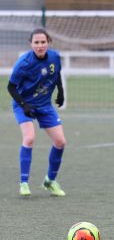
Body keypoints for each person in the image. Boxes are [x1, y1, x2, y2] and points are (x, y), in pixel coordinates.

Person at [8, 28, 66, 197]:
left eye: (43, 42)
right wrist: (24, 105)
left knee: (61, 141)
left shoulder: (55, 57)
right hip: (23, 104)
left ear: (48, 42)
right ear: (31, 44)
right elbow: (11, 87)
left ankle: (50, 181)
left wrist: (60, 92)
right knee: (29, 138)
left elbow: (57, 75)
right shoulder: (23, 63)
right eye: (36, 42)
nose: (40, 46)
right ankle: (24, 183)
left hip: (44, 105)